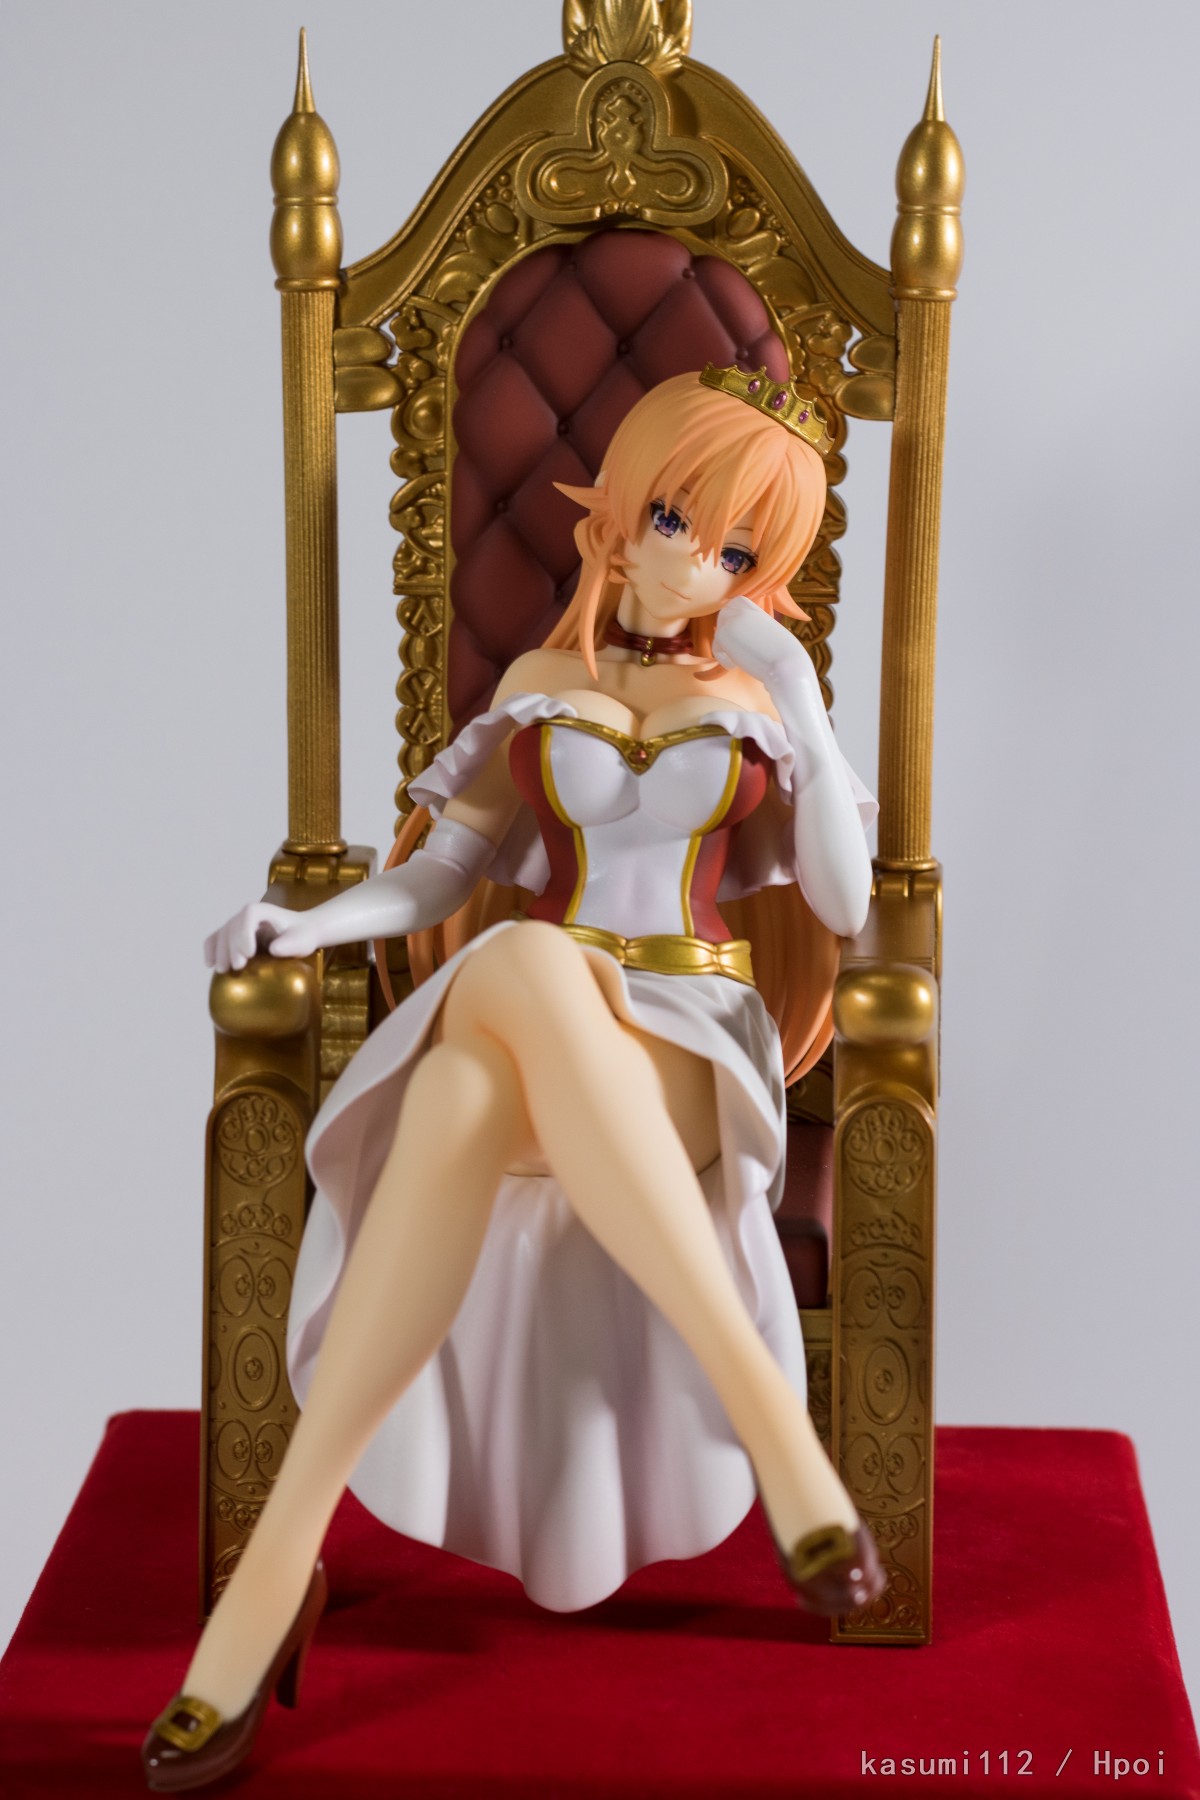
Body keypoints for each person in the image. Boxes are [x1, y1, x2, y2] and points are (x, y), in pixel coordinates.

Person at [143, 365, 885, 1791]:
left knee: (512, 980)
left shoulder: (757, 701)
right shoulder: (541, 686)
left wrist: (798, 690)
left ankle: (269, 1585)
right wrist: (306, 923)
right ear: (622, 505)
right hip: (541, 1028)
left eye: (737, 549)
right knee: (476, 1060)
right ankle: (773, 1443)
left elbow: (846, 907)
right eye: (674, 517)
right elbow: (437, 876)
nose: (695, 562)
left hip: (689, 1038)